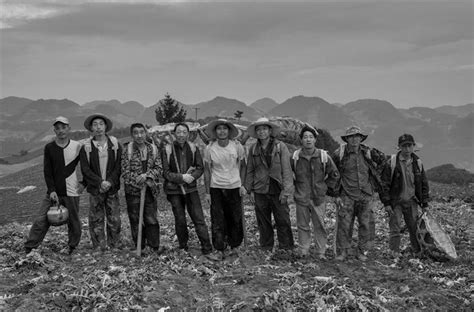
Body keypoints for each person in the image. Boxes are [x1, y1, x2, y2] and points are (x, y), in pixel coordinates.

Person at [25, 116, 83, 255]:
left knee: (74, 222)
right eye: (58, 128)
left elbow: (87, 167)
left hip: (71, 190)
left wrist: (84, 183)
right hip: (53, 192)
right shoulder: (49, 147)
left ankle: (72, 247)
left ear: (69, 128)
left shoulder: (77, 146)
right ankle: (30, 247)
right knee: (41, 220)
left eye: (63, 127)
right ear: (54, 130)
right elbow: (47, 170)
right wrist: (51, 190)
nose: (61, 130)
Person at [332, 126, 386, 261]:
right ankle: (343, 251)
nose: (354, 139)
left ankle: (362, 251)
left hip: (366, 194)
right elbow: (333, 174)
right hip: (347, 194)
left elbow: (384, 161)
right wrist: (336, 194)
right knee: (345, 224)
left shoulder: (368, 152)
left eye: (357, 136)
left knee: (365, 224)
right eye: (351, 136)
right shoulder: (340, 154)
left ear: (361, 138)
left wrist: (375, 182)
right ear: (347, 139)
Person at [161, 122, 215, 258]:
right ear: (174, 134)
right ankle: (183, 247)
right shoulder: (167, 149)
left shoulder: (193, 147)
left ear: (188, 134)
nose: (181, 135)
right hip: (174, 191)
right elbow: (165, 173)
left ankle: (207, 248)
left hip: (191, 189)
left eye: (184, 132)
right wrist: (180, 177)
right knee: (180, 219)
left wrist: (191, 177)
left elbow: (200, 167)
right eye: (178, 132)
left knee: (198, 218)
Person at [244, 118, 294, 252]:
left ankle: (286, 247)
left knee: (283, 219)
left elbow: (287, 169)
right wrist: (249, 190)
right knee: (263, 221)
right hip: (260, 188)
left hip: (278, 188)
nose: (262, 132)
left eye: (264, 129)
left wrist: (287, 190)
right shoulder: (253, 148)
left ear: (270, 131)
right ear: (256, 133)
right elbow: (250, 170)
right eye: (259, 130)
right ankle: (266, 247)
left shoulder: (280, 146)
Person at [291, 126, 339, 259]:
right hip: (302, 197)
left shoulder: (323, 157)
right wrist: (294, 188)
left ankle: (320, 252)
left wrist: (325, 188)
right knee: (302, 226)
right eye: (305, 137)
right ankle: (303, 251)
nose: (308, 140)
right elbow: (289, 175)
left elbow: (334, 175)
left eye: (311, 137)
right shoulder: (295, 157)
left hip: (318, 198)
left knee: (320, 226)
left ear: (315, 140)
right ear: (301, 140)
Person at [203, 119, 247, 260]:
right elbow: (207, 171)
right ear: (215, 132)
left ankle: (235, 246)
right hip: (216, 186)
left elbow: (243, 165)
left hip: (234, 186)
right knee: (218, 219)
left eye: (224, 129)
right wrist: (207, 192)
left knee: (235, 217)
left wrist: (243, 185)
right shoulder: (210, 148)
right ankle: (219, 248)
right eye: (219, 129)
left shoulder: (237, 146)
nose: (222, 131)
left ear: (229, 131)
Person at [380, 134, 429, 258]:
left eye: (409, 146)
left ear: (413, 146)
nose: (407, 149)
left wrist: (424, 203)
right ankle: (394, 253)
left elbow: (423, 184)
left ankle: (417, 251)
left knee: (414, 228)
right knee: (395, 229)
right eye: (404, 146)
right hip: (396, 202)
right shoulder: (391, 163)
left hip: (412, 201)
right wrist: (386, 203)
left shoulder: (417, 163)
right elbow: (384, 185)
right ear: (399, 147)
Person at [80, 114, 122, 251]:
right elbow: (85, 170)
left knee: (114, 218)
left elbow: (118, 166)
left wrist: (109, 182)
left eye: (101, 124)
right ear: (91, 128)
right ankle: (99, 246)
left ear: (105, 126)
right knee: (96, 219)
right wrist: (100, 182)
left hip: (112, 188)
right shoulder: (86, 147)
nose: (98, 127)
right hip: (95, 189)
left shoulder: (114, 144)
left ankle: (114, 244)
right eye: (95, 125)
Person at [121, 123, 162, 253]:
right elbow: (125, 172)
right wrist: (138, 179)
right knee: (135, 219)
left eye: (141, 132)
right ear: (132, 135)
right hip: (133, 192)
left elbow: (159, 168)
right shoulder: (127, 150)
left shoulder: (153, 149)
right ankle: (140, 246)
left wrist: (147, 176)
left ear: (146, 133)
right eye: (136, 133)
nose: (139, 135)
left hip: (150, 190)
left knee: (151, 219)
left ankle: (154, 246)